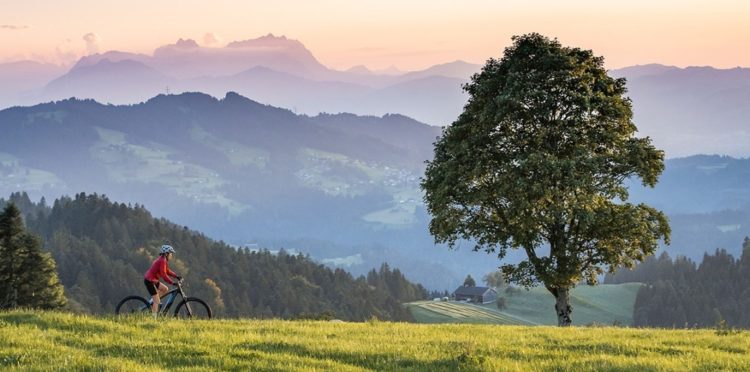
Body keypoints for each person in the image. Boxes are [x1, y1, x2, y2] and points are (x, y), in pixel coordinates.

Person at [144, 244, 181, 318]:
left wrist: (176, 276)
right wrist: (172, 282)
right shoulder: (162, 261)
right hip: (149, 281)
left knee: (165, 289)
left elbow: (167, 271)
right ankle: (153, 319)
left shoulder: (163, 260)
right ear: (166, 253)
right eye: (171, 253)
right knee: (157, 301)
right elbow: (164, 274)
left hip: (153, 280)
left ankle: (152, 302)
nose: (171, 255)